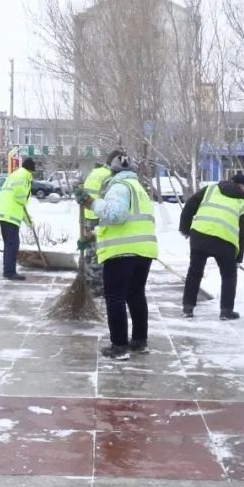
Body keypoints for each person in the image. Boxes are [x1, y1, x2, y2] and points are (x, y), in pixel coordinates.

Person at [75, 150, 158, 360]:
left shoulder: (118, 187)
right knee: (136, 295)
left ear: (111, 171)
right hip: (143, 251)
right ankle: (139, 342)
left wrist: (91, 203)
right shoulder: (138, 188)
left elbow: (116, 216)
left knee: (115, 297)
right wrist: (95, 237)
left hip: (121, 253)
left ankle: (119, 346)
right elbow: (131, 223)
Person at [179, 173, 244, 320]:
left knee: (194, 272)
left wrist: (185, 229)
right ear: (241, 186)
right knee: (229, 275)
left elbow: (189, 205)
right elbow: (242, 233)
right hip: (225, 242)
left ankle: (188, 308)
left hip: (200, 235)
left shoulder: (211, 189)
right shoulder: (243, 203)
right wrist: (238, 258)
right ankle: (226, 311)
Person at [0, 158, 35, 280]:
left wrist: (29, 222)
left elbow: (18, 201)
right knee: (13, 245)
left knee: (9, 244)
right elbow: (20, 197)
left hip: (4, 213)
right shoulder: (24, 176)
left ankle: (7, 270)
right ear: (31, 170)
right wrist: (24, 200)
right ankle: (10, 272)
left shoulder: (15, 174)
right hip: (10, 215)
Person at [80, 160, 114, 296]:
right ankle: (96, 286)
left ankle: (88, 281)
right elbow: (109, 199)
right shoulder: (109, 176)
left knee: (90, 250)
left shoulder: (96, 172)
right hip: (98, 217)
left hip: (88, 216)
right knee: (99, 251)